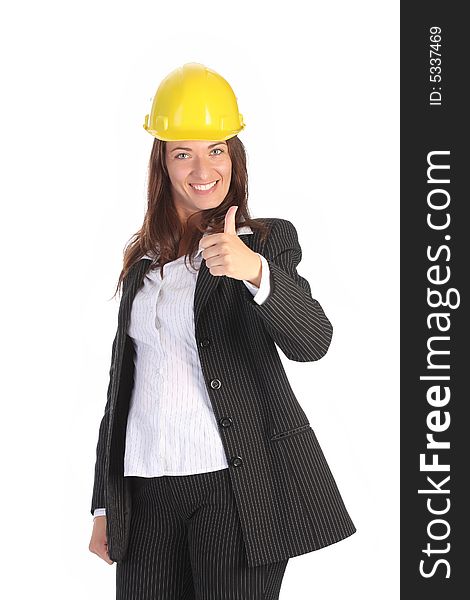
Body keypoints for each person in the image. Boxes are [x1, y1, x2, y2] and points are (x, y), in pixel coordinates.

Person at [88, 62, 356, 600]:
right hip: (145, 498)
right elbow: (122, 393)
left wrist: (253, 271)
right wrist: (103, 504)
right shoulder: (143, 264)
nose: (202, 168)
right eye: (183, 152)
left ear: (235, 157)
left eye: (217, 150)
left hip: (232, 494)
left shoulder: (263, 242)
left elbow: (314, 341)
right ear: (162, 164)